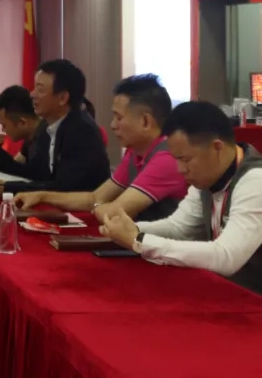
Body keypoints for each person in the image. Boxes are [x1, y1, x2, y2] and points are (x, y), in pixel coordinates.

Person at [101, 101, 262, 293]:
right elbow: (178, 228)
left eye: (185, 159)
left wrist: (139, 240)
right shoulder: (208, 177)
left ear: (217, 147)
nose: (180, 169)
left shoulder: (255, 180)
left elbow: (226, 257)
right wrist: (130, 229)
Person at [15, 74, 186, 222]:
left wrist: (100, 207)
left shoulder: (166, 158)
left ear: (146, 121)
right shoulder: (135, 152)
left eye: (119, 118)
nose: (113, 125)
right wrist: (42, 196)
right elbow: (95, 197)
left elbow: (115, 211)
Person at [0, 59, 109, 195]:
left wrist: (6, 188)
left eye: (40, 89)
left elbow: (64, 188)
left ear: (62, 98)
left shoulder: (81, 132)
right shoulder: (51, 126)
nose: (32, 94)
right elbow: (35, 174)